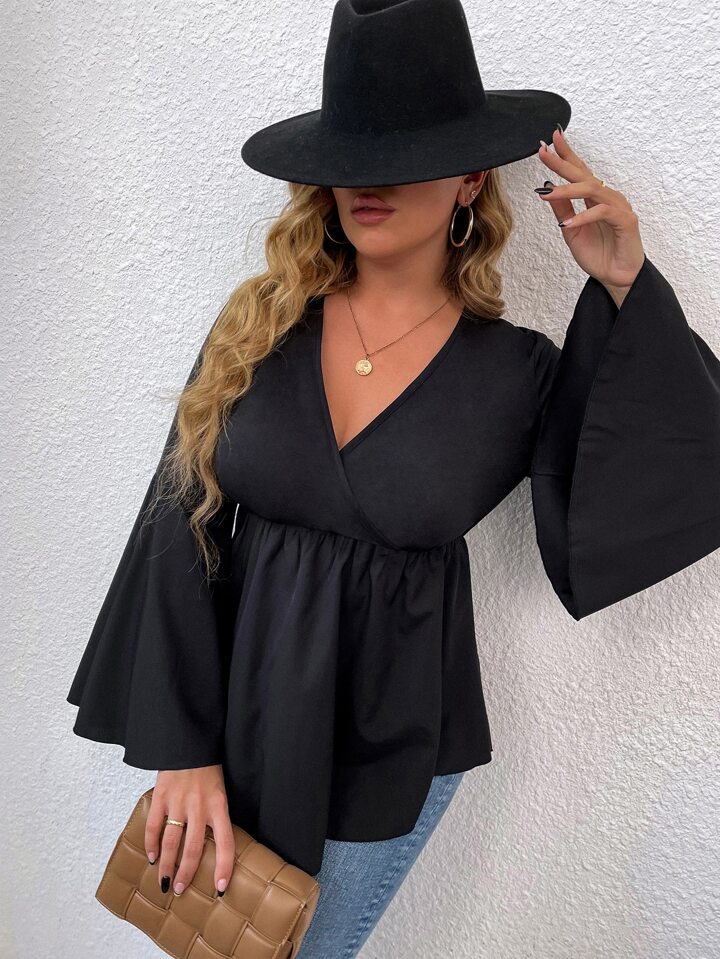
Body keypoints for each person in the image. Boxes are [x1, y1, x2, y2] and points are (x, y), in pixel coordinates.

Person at [66, 0, 720, 955]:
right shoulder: (261, 326)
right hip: (235, 717)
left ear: (470, 179)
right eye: (352, 158)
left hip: (388, 745)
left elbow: (658, 474)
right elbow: (176, 524)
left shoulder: (518, 375)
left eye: (405, 156)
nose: (368, 184)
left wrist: (625, 284)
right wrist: (182, 747)